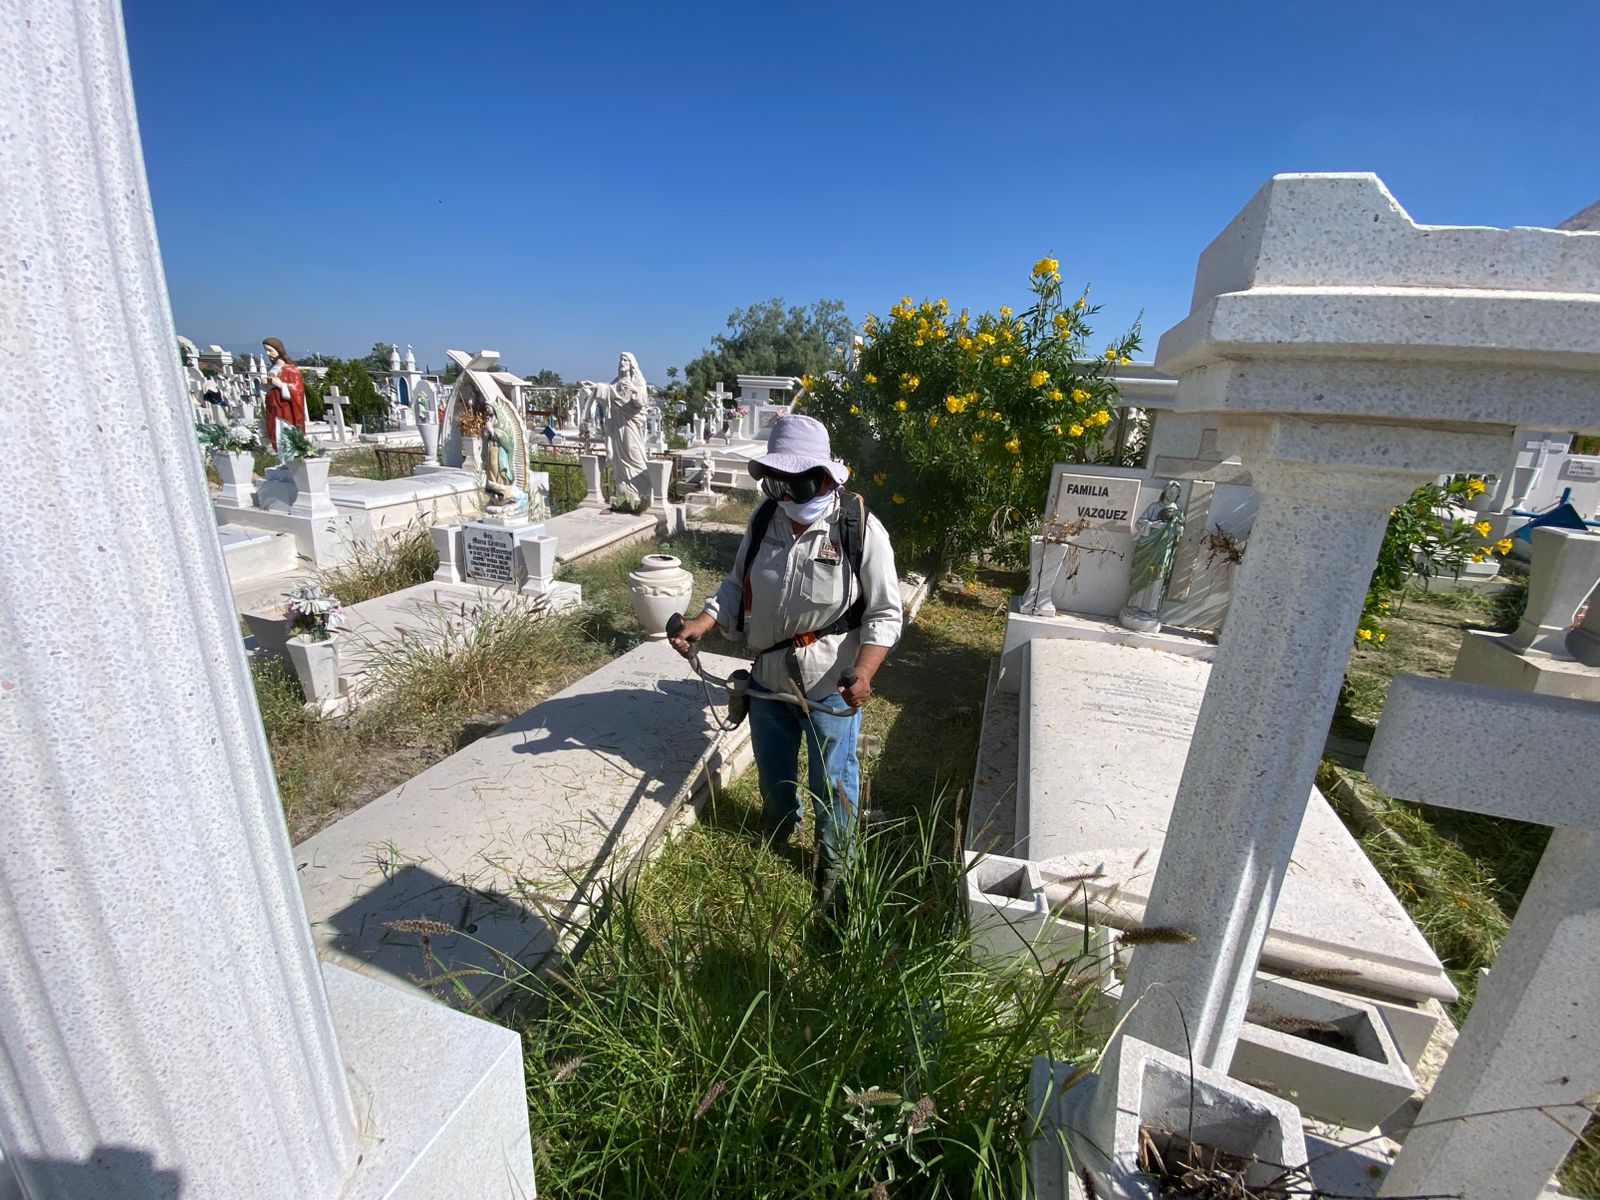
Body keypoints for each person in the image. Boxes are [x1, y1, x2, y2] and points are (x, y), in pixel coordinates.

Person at [669, 415, 902, 910]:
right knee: (774, 770)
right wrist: (703, 623)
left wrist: (864, 672)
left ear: (823, 477)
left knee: (832, 777)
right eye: (776, 482)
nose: (787, 494)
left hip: (829, 686)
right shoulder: (762, 520)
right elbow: (736, 586)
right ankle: (778, 828)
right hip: (768, 679)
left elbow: (884, 611)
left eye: (797, 482)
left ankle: (834, 863)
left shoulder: (858, 528)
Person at [260, 337, 306, 449]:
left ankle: (289, 461)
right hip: (273, 409)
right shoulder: (273, 368)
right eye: (265, 350)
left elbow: (297, 390)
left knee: (285, 437)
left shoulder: (290, 369)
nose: (267, 353)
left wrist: (280, 384)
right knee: (276, 436)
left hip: (285, 409)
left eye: (270, 350)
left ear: (278, 350)